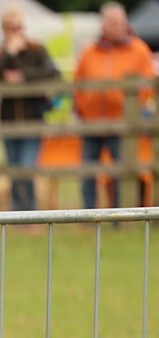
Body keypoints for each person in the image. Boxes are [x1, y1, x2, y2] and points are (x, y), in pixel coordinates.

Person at [73, 2, 154, 209]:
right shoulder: (89, 51)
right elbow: (78, 83)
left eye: (119, 22)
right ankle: (88, 215)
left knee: (122, 173)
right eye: (111, 22)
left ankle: (120, 216)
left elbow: (147, 86)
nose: (116, 26)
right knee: (88, 172)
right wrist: (83, 108)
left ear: (125, 23)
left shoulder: (139, 50)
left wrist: (132, 111)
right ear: (103, 25)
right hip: (92, 122)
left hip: (122, 123)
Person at [0, 8, 59, 212]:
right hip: (9, 120)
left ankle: (29, 211)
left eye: (19, 27)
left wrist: (23, 76)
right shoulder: (1, 53)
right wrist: (10, 53)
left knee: (26, 167)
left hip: (32, 118)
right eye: (12, 28)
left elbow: (52, 72)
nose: (17, 31)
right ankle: (17, 213)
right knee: (14, 168)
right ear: (5, 30)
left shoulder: (37, 49)